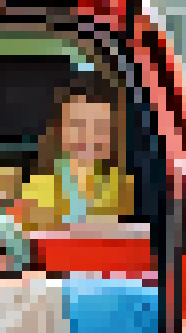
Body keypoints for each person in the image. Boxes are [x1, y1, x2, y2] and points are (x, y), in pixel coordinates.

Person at [11, 81, 133, 234]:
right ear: (60, 129)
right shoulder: (40, 182)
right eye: (78, 124)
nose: (88, 135)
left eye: (99, 126)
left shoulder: (121, 184)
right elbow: (24, 228)